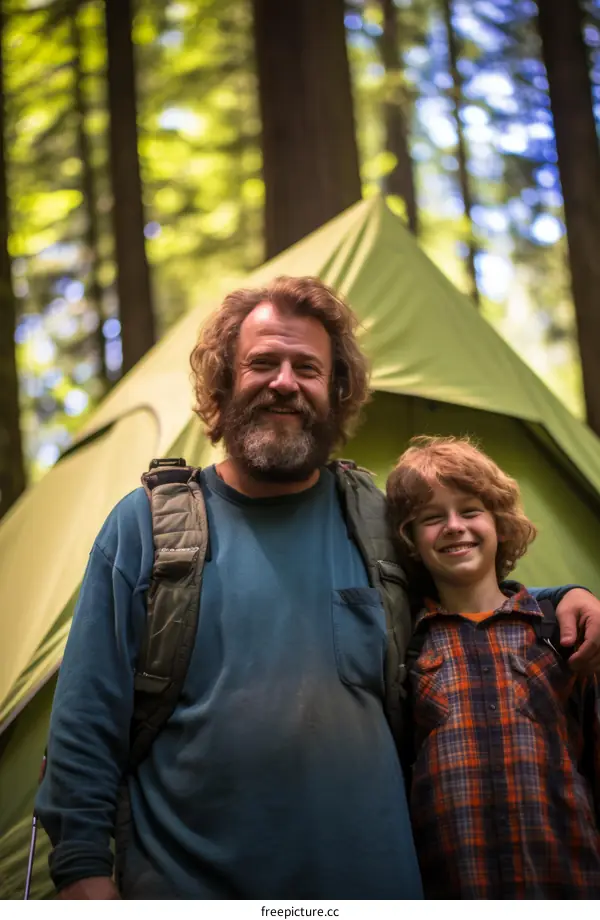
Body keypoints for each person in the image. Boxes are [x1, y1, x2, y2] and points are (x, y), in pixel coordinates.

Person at [36, 277, 600, 900]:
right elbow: (87, 721)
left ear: (336, 391)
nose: (284, 382)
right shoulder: (146, 527)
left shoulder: (378, 523)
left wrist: (559, 601)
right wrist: (84, 874)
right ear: (223, 382)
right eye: (262, 363)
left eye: (307, 367)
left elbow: (472, 601)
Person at [386, 435, 600, 898]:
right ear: (410, 541)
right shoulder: (410, 647)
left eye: (469, 510)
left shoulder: (558, 633)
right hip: (455, 886)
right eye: (431, 517)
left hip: (568, 882)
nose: (453, 526)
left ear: (499, 523)